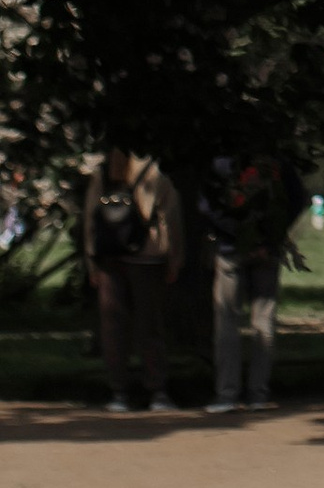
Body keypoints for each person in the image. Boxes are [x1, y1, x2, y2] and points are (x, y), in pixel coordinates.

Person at [79, 149, 185, 414]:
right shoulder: (154, 173)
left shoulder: (101, 175)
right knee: (149, 325)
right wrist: (175, 259)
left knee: (114, 327)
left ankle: (119, 392)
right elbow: (170, 218)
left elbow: (91, 220)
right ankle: (157, 391)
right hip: (148, 257)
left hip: (109, 258)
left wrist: (91, 261)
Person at [197, 148, 300, 414]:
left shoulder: (222, 161)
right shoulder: (278, 161)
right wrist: (269, 238)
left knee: (227, 321)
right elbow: (297, 199)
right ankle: (258, 394)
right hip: (267, 251)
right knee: (263, 321)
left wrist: (238, 236)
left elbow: (207, 206)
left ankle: (227, 394)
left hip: (231, 250)